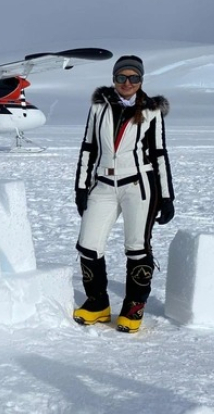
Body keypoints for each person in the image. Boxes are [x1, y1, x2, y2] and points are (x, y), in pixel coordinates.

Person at [72, 55, 175, 333]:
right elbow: (88, 148)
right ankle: (97, 304)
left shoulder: (152, 112)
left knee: (136, 247)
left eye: (133, 78)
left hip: (138, 185)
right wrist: (81, 187)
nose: (127, 83)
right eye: (121, 77)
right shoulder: (98, 108)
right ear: (113, 79)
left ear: (141, 80)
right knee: (89, 245)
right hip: (103, 184)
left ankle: (134, 306)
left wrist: (167, 196)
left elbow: (159, 154)